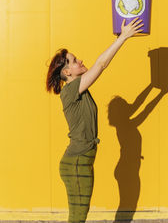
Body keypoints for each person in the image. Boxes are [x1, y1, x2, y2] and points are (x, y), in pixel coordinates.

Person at [45, 17, 144, 223]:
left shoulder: (80, 88)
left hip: (81, 161)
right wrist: (123, 38)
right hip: (77, 163)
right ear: (67, 72)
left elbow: (134, 108)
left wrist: (155, 89)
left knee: (80, 215)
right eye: (74, 61)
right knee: (78, 217)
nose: (80, 61)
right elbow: (102, 64)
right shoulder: (71, 90)